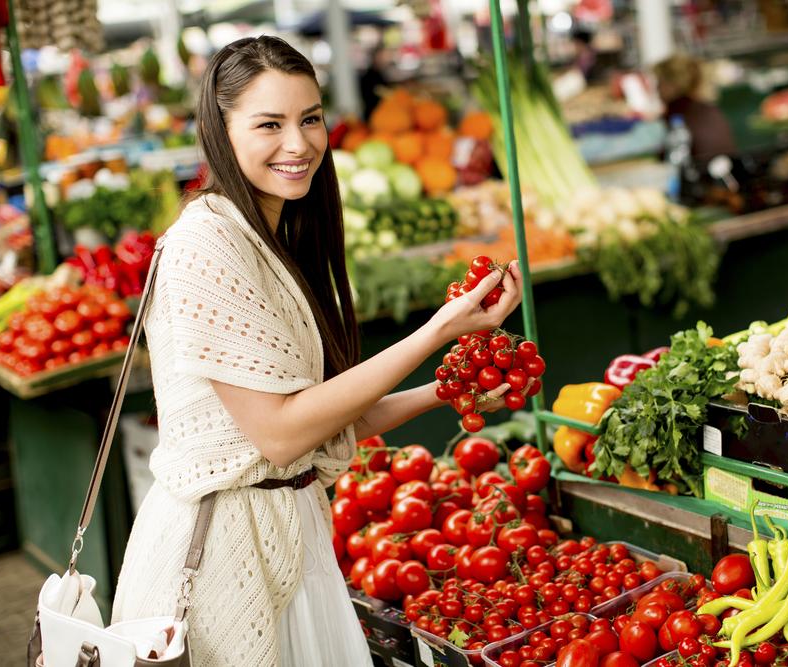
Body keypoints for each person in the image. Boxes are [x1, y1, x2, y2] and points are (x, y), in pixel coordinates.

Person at [111, 36, 523, 666]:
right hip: (222, 556)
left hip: (289, 539)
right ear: (219, 131)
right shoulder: (206, 245)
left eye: (309, 119)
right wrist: (437, 332)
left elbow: (322, 419)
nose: (298, 143)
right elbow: (278, 435)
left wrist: (447, 390)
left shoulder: (270, 235)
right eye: (269, 124)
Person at [652, 53, 737, 162]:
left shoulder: (677, 113)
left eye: (659, 83)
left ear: (673, 85)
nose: (657, 89)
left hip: (700, 174)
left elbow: (666, 156)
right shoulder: (708, 108)